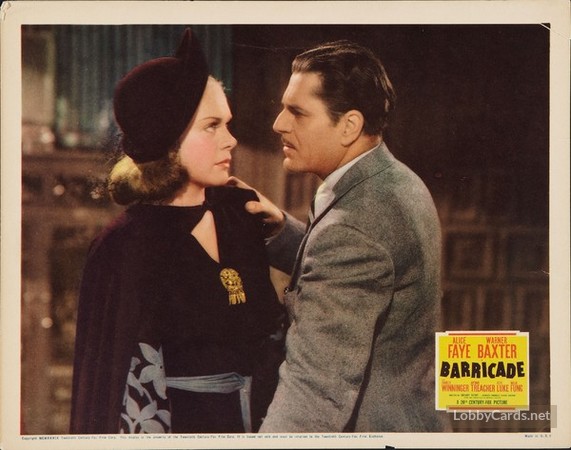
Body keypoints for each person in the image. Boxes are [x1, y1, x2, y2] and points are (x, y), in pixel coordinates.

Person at [70, 28, 285, 434]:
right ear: (167, 138)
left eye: (228, 124)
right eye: (211, 126)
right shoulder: (123, 246)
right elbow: (115, 394)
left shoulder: (241, 214)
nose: (231, 140)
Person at [235, 40, 450, 432]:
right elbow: (362, 275)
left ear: (349, 126)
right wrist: (284, 231)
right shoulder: (391, 180)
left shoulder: (354, 226)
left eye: (297, 112)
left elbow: (314, 392)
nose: (279, 123)